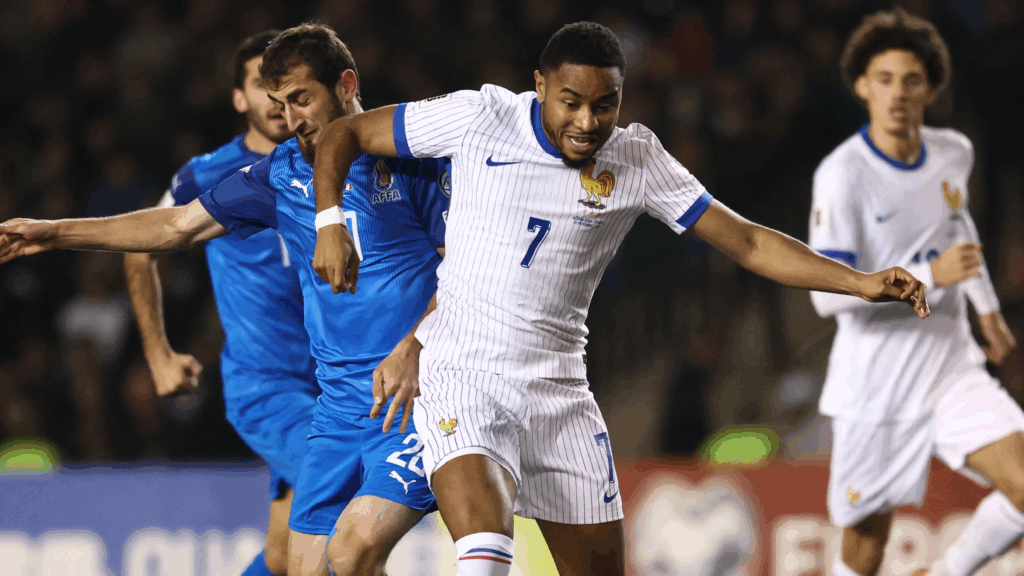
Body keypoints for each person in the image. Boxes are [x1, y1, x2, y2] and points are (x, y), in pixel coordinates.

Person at [310, 21, 929, 576]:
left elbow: (745, 241)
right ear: (540, 86)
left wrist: (861, 281)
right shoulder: (480, 118)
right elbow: (345, 132)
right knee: (484, 552)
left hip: (559, 393)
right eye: (571, 102)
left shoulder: (636, 159)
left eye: (604, 106)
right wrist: (330, 221)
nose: (587, 122)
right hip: (464, 375)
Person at [0, 24, 450, 576]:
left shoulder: (413, 161)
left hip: (415, 405)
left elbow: (468, 273)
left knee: (352, 552)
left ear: (347, 84)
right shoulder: (278, 174)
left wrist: (415, 345)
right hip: (335, 413)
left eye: (302, 100)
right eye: (280, 103)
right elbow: (174, 228)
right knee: (306, 567)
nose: (290, 119)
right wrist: (55, 233)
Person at [807, 9, 1021, 576]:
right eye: (884, 79)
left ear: (930, 87)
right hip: (874, 388)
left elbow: (958, 227)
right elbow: (826, 297)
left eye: (910, 80)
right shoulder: (841, 175)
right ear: (861, 86)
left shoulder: (954, 152)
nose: (897, 93)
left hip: (950, 368)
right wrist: (929, 275)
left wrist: (988, 312)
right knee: (864, 551)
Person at [136, 29, 315, 576]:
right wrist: (157, 354)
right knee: (344, 490)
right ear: (240, 98)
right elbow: (141, 248)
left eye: (289, 85)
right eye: (264, 84)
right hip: (267, 384)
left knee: (285, 554)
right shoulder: (206, 173)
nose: (276, 98)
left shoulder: (334, 161)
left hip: (340, 379)